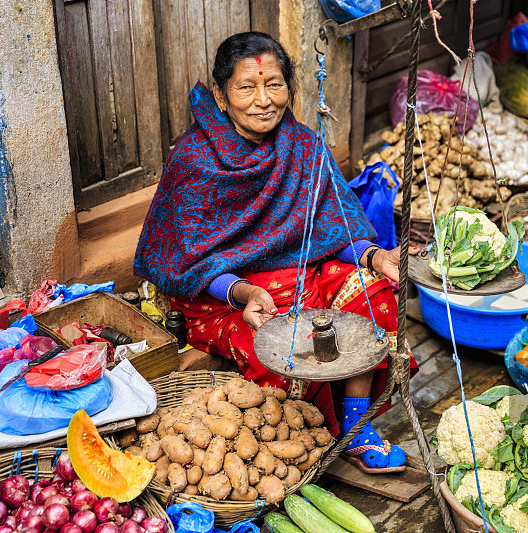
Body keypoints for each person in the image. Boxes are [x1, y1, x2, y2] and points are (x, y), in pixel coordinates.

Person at [134, 32, 417, 473]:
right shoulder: (194, 159)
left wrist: (374, 256)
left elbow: (335, 222)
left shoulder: (302, 145)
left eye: (274, 85)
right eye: (247, 87)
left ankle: (356, 425)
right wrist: (244, 293)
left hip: (303, 271)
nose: (264, 100)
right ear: (220, 96)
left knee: (374, 295)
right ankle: (309, 435)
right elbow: (188, 259)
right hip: (224, 296)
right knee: (279, 345)